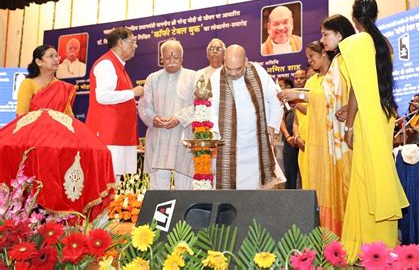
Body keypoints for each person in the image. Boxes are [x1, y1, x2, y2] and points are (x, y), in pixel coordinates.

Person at [339, 0, 409, 264]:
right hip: (382, 116)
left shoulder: (355, 43)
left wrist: (348, 122)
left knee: (365, 180)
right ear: (376, 15)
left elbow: (357, 88)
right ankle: (385, 243)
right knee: (381, 175)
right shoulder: (386, 44)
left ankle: (366, 246)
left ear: (355, 19)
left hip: (366, 119)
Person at [279, 18, 355, 237]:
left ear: (339, 35)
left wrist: (299, 95)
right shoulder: (338, 63)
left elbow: (337, 95)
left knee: (340, 185)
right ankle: (324, 233)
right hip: (319, 140)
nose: (322, 41)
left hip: (338, 140)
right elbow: (331, 99)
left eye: (325, 35)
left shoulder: (343, 61)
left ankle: (341, 236)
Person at [210, 44, 283, 189]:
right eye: (228, 68)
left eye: (238, 69)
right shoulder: (216, 77)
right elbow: (211, 108)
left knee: (255, 190)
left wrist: (272, 125)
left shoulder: (258, 71)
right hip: (227, 144)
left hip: (256, 144)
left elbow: (275, 98)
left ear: (246, 61)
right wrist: (213, 134)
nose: (232, 73)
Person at [86, 27, 144, 183]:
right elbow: (103, 96)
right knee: (107, 182)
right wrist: (133, 92)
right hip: (108, 135)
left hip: (119, 134)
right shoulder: (107, 64)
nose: (135, 46)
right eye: (133, 42)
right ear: (120, 43)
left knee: (115, 182)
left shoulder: (119, 66)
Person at [138, 40, 197, 190]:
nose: (171, 61)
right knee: (158, 188)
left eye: (175, 57)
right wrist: (154, 119)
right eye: (167, 58)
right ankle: (160, 214)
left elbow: (200, 105)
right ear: (162, 58)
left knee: (184, 188)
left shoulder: (193, 77)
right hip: (159, 138)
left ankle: (183, 213)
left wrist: (179, 118)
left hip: (183, 138)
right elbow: (144, 106)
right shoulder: (152, 78)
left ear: (182, 58)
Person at [16, 45, 76, 117]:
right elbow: (21, 115)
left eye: (57, 56)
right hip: (35, 127)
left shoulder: (63, 87)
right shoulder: (28, 83)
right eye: (51, 56)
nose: (56, 59)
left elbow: (69, 116)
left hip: (58, 128)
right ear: (39, 62)